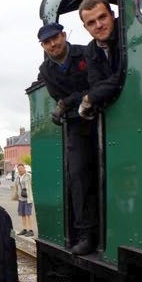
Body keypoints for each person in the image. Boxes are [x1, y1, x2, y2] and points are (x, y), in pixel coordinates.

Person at [37, 22, 98, 255]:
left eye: (56, 38)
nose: (53, 44)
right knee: (78, 175)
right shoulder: (46, 71)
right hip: (76, 124)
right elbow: (57, 95)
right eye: (47, 42)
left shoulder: (86, 52)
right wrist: (71, 101)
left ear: (64, 35)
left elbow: (95, 84)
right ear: (43, 46)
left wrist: (66, 103)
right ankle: (86, 234)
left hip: (101, 113)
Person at [77, 0, 123, 120]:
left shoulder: (128, 33)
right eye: (91, 22)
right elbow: (95, 84)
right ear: (85, 27)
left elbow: (124, 75)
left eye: (102, 17)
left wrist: (88, 98)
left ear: (112, 15)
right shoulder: (90, 50)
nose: (98, 25)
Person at [15, 163, 34, 237]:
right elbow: (16, 186)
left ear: (24, 168)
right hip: (21, 198)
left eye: (21, 168)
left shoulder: (29, 176)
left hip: (28, 198)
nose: (20, 170)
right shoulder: (17, 177)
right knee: (22, 214)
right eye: (19, 169)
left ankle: (31, 230)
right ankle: (24, 229)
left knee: (28, 214)